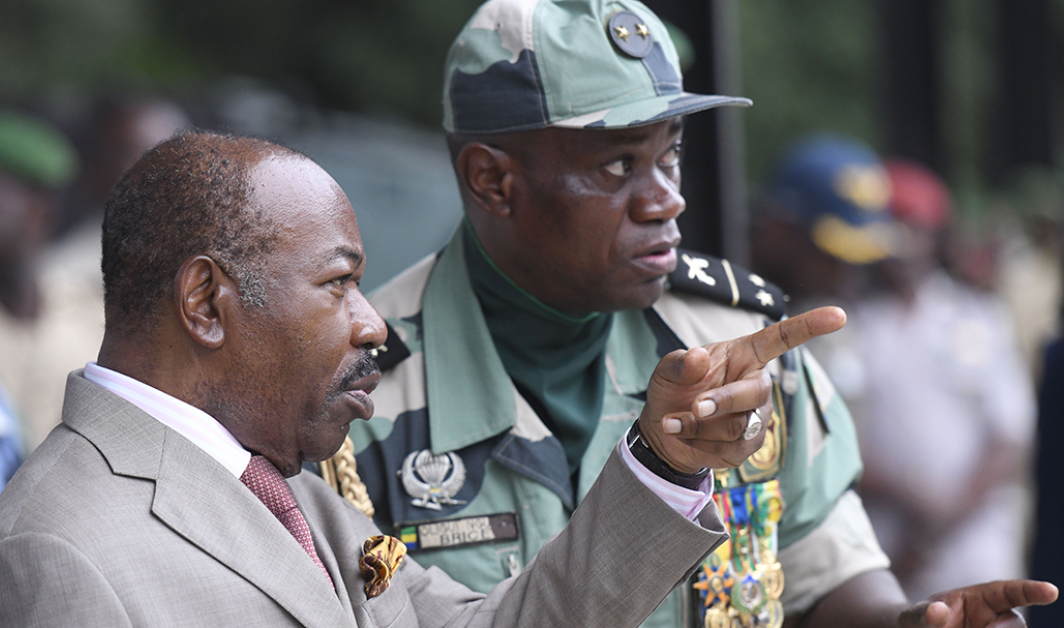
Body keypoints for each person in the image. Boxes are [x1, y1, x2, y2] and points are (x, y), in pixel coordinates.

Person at [323, 1, 1058, 626]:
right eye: (619, 165)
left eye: (669, 158)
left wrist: (910, 622)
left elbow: (826, 577)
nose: (665, 199)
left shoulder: (739, 344)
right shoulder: (356, 396)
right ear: (492, 180)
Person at [0, 130, 854, 627]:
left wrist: (664, 465)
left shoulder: (282, 492)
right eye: (339, 283)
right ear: (206, 303)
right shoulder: (57, 549)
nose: (372, 321)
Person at [852, 159, 1036, 600]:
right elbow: (839, 439)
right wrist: (908, 499)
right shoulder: (851, 324)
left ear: (934, 232)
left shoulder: (975, 317)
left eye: (910, 226)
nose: (899, 242)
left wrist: (943, 520)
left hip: (975, 546)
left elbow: (1010, 436)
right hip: (891, 549)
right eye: (888, 227)